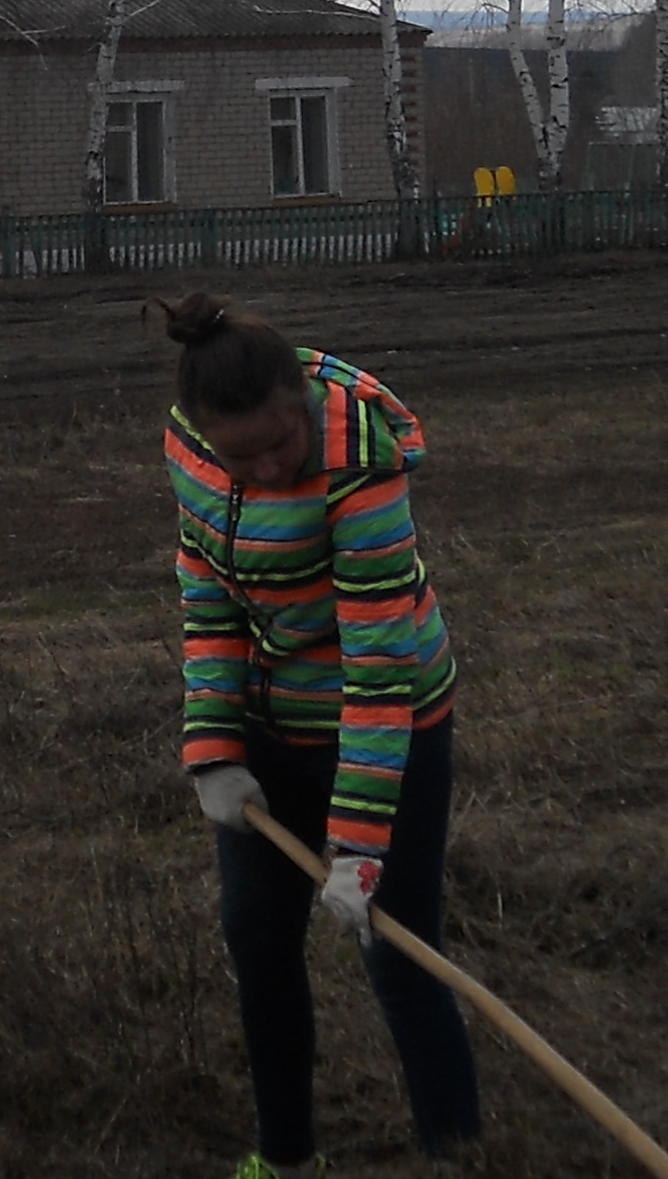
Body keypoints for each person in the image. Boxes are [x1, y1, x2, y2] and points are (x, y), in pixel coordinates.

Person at [162, 288, 479, 1176]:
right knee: (258, 940)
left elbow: (378, 663)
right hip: (268, 724)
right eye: (243, 456)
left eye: (280, 442)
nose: (267, 468)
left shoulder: (358, 463)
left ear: (300, 401)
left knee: (402, 955)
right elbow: (209, 595)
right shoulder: (192, 447)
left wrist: (358, 843)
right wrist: (215, 750)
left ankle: (458, 1159)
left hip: (386, 725)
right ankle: (287, 1160)